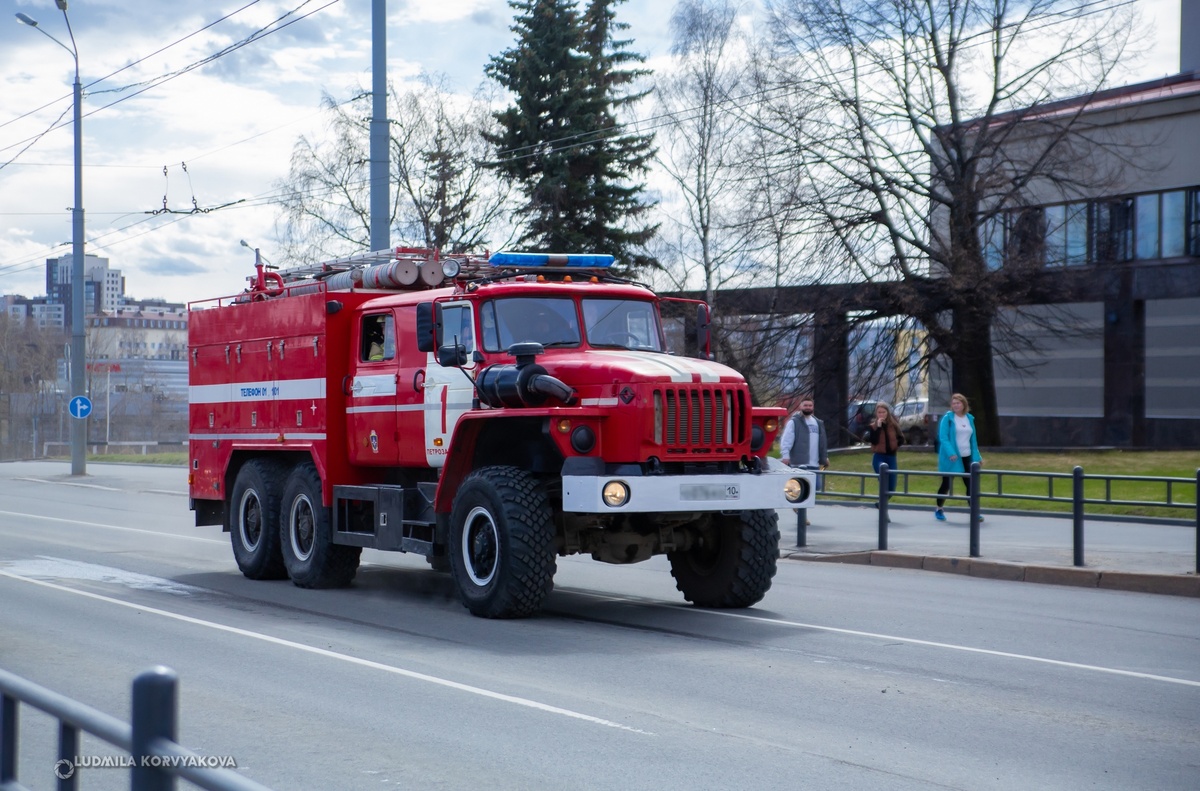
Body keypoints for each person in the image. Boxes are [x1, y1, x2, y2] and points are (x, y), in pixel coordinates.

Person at [935, 392, 983, 522]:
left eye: (958, 403)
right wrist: (951, 453)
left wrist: (977, 457)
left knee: (970, 484)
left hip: (967, 455)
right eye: (954, 403)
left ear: (964, 404)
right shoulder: (948, 418)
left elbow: (973, 440)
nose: (955, 405)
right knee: (946, 484)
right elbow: (943, 438)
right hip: (952, 457)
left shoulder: (969, 418)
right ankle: (939, 508)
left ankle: (974, 511)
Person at [780, 395, 829, 487]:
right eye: (805, 405)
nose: (808, 407)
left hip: (814, 464)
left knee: (816, 487)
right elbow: (786, 440)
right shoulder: (794, 422)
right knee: (800, 489)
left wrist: (825, 457)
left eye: (810, 405)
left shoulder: (818, 423)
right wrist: (785, 456)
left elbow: (822, 443)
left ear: (813, 407)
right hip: (799, 464)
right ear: (800, 406)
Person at [866, 401, 903, 507]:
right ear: (876, 414)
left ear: (887, 413)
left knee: (891, 487)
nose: (881, 415)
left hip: (891, 457)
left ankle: (881, 505)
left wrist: (894, 446)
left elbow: (901, 438)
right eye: (879, 413)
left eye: (883, 412)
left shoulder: (893, 425)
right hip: (879, 457)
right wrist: (878, 427)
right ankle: (883, 509)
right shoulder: (873, 426)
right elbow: (873, 441)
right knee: (884, 481)